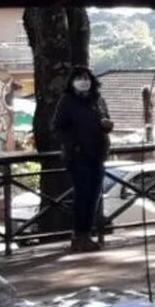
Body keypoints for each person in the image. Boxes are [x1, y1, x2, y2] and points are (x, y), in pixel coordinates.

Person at [51, 66, 114, 252]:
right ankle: (79, 236)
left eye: (86, 78)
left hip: (98, 154)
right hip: (78, 157)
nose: (83, 81)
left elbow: (107, 120)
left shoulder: (98, 100)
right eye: (79, 78)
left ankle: (87, 235)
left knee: (93, 197)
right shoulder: (67, 101)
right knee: (82, 196)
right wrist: (73, 144)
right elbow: (57, 128)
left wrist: (107, 125)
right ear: (72, 82)